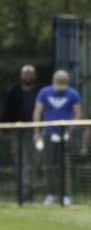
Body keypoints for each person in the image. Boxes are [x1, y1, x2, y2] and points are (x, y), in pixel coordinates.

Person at [33, 70, 81, 207]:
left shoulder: (73, 94)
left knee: (64, 165)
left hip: (66, 134)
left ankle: (65, 195)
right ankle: (51, 194)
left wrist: (69, 131)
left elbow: (78, 114)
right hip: (49, 133)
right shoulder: (44, 92)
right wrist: (37, 132)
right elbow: (38, 111)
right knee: (49, 165)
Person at [2, 65, 41, 202]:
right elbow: (7, 110)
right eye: (25, 73)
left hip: (36, 131)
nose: (28, 76)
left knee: (34, 163)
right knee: (21, 163)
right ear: (21, 75)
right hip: (18, 132)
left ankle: (30, 193)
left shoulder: (39, 91)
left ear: (34, 76)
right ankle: (23, 194)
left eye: (30, 73)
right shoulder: (14, 91)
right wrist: (7, 128)